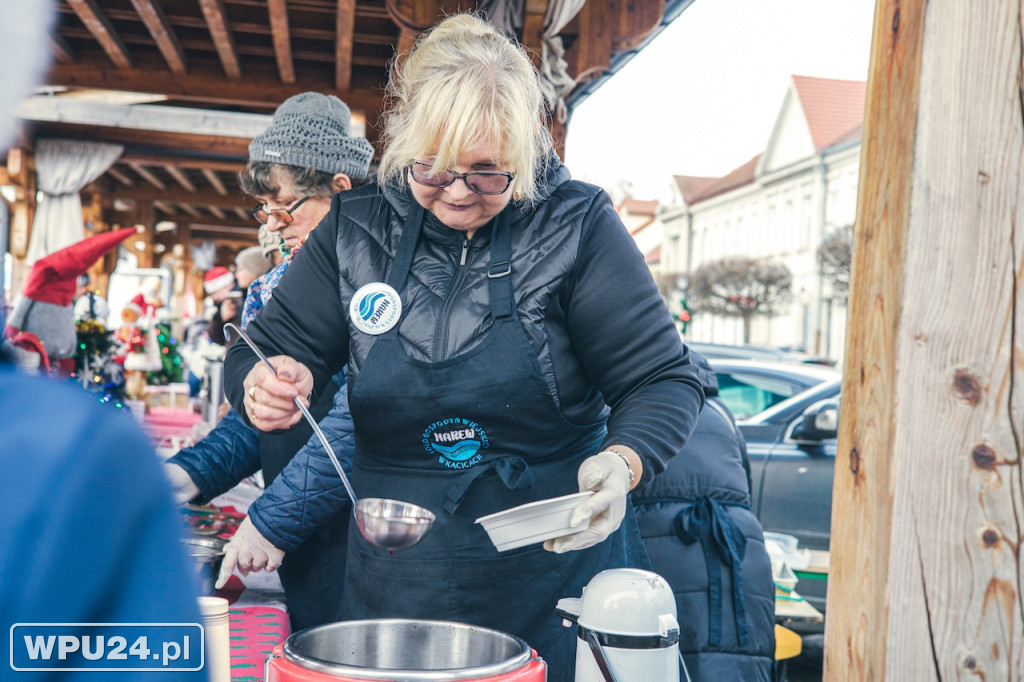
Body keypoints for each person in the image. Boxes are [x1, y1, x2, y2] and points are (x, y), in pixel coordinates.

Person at [223, 14, 705, 678]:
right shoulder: (354, 226)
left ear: (524, 151)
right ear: (405, 143)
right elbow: (266, 346)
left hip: (551, 567)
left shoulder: (579, 225)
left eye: (487, 174)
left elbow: (661, 380)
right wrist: (262, 382)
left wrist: (622, 462)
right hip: (394, 571)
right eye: (434, 169)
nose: (456, 192)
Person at [165, 91, 374, 632]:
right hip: (299, 529)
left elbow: (360, 418)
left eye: (285, 207)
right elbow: (262, 416)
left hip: (365, 535)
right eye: (265, 209)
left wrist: (273, 520)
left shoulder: (381, 285)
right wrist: (187, 474)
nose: (274, 225)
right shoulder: (274, 288)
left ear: (340, 190)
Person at [633, 351, 776, 681]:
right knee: (738, 663)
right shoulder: (721, 412)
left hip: (661, 546)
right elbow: (745, 489)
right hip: (739, 553)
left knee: (663, 661)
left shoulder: (629, 407)